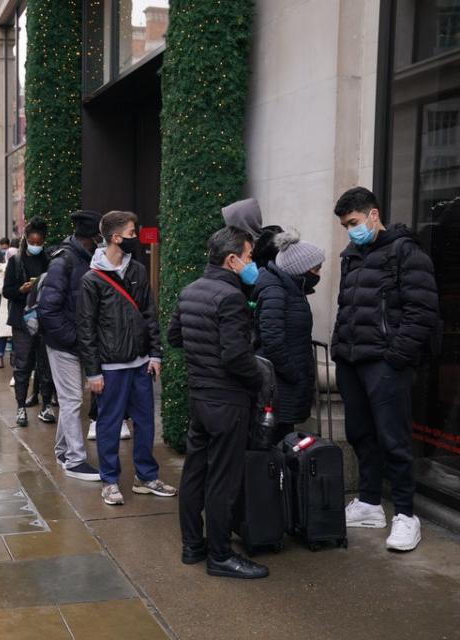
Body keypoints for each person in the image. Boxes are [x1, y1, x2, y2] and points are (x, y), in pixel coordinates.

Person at [332, 186, 439, 552]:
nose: (350, 230)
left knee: (394, 440)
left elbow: (422, 312)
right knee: (362, 434)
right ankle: (369, 503)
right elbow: (346, 305)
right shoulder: (351, 255)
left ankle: (407, 516)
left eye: (354, 222)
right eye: (346, 225)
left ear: (374, 214)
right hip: (351, 361)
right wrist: (338, 350)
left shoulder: (405, 252)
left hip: (384, 363)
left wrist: (395, 358)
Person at [168, 226, 269, 579]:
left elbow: (175, 336)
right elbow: (236, 356)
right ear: (232, 259)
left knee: (195, 471)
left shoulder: (191, 290)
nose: (251, 262)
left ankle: (193, 546)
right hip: (227, 400)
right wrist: (259, 380)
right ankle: (221, 556)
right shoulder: (230, 297)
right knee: (223, 480)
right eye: (249, 256)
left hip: (199, 397)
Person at [79, 211, 172, 502]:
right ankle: (110, 480)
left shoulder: (137, 271)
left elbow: (149, 314)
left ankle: (146, 476)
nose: (136, 237)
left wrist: (155, 354)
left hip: (140, 363)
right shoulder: (91, 280)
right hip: (110, 367)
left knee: (145, 423)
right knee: (109, 423)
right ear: (116, 237)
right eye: (132, 233)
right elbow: (87, 329)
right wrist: (93, 372)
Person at [39, 210, 104, 481]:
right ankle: (75, 460)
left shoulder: (83, 258)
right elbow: (48, 309)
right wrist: (74, 339)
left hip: (73, 342)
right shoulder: (64, 261)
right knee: (72, 400)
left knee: (71, 399)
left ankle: (63, 450)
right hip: (64, 343)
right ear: (91, 236)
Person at [254, 229, 324, 443]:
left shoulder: (292, 289)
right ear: (299, 269)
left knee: (283, 439)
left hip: (287, 384)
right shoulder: (276, 290)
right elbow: (273, 341)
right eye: (316, 268)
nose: (319, 274)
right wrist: (294, 374)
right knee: (273, 442)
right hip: (280, 385)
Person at [3, 218, 55, 426]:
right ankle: (20, 407)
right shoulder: (15, 261)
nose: (35, 245)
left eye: (39, 242)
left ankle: (46, 405)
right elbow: (7, 290)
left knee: (46, 364)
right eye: (32, 241)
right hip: (22, 320)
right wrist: (21, 290)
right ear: (26, 239)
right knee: (22, 365)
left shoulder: (50, 260)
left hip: (44, 319)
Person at [0, 247, 15, 369]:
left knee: (15, 332)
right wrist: (9, 291)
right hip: (6, 302)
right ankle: (0, 357)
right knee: (3, 332)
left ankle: (13, 355)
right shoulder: (2, 269)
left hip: (17, 302)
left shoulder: (20, 266)